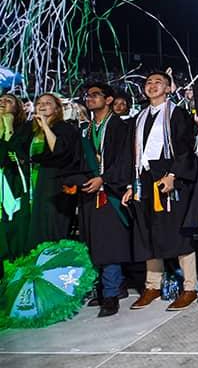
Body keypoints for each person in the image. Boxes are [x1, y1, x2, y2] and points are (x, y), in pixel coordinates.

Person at [124, 71, 198, 311]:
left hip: (169, 179)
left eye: (158, 82)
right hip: (144, 181)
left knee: (178, 234)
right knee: (148, 232)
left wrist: (173, 175)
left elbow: (186, 148)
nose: (152, 85)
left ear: (168, 88)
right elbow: (132, 154)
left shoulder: (177, 114)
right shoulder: (139, 117)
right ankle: (152, 285)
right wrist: (130, 184)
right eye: (148, 82)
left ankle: (190, 287)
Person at [69, 83, 133, 317]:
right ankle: (104, 289)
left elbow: (126, 159)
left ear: (108, 100)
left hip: (110, 193)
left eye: (96, 95)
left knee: (110, 245)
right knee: (93, 243)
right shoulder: (84, 130)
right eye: (88, 95)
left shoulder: (120, 127)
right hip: (88, 193)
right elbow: (77, 160)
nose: (90, 98)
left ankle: (111, 295)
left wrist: (104, 179)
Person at [25, 93, 81, 250]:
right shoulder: (32, 130)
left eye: (48, 103)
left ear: (57, 109)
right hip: (37, 181)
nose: (42, 106)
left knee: (51, 226)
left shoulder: (64, 128)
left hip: (55, 183)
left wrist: (45, 126)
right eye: (39, 103)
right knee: (37, 225)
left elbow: (58, 150)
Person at [0, 94, 31, 262]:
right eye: (0, 100)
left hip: (14, 187)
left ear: (18, 108)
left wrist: (8, 127)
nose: (2, 103)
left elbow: (14, 156)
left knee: (14, 233)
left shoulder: (26, 129)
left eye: (8, 101)